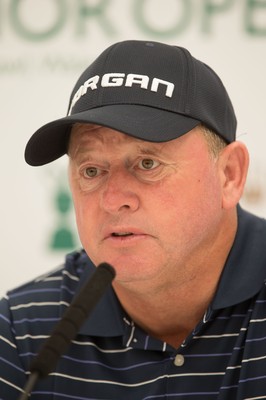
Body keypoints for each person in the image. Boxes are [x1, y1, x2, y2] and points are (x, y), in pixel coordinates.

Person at [1, 40, 266, 400]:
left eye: (147, 163)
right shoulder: (23, 331)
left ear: (230, 175)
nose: (113, 200)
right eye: (92, 170)